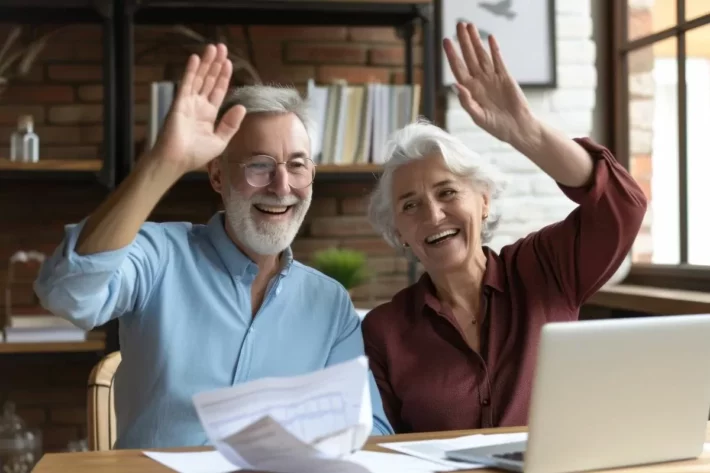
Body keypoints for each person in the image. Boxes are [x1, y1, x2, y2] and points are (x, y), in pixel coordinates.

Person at [33, 43, 393, 448]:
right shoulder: (160, 255)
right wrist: (162, 163)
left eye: (296, 164)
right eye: (259, 165)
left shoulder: (330, 304)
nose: (281, 186)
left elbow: (369, 430)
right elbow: (67, 295)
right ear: (218, 176)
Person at [361, 22, 647, 433]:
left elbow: (623, 203)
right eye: (411, 205)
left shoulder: (545, 269)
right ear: (399, 232)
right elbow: (381, 445)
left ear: (483, 200)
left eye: (447, 192)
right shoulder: (385, 331)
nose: (434, 215)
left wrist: (527, 131)